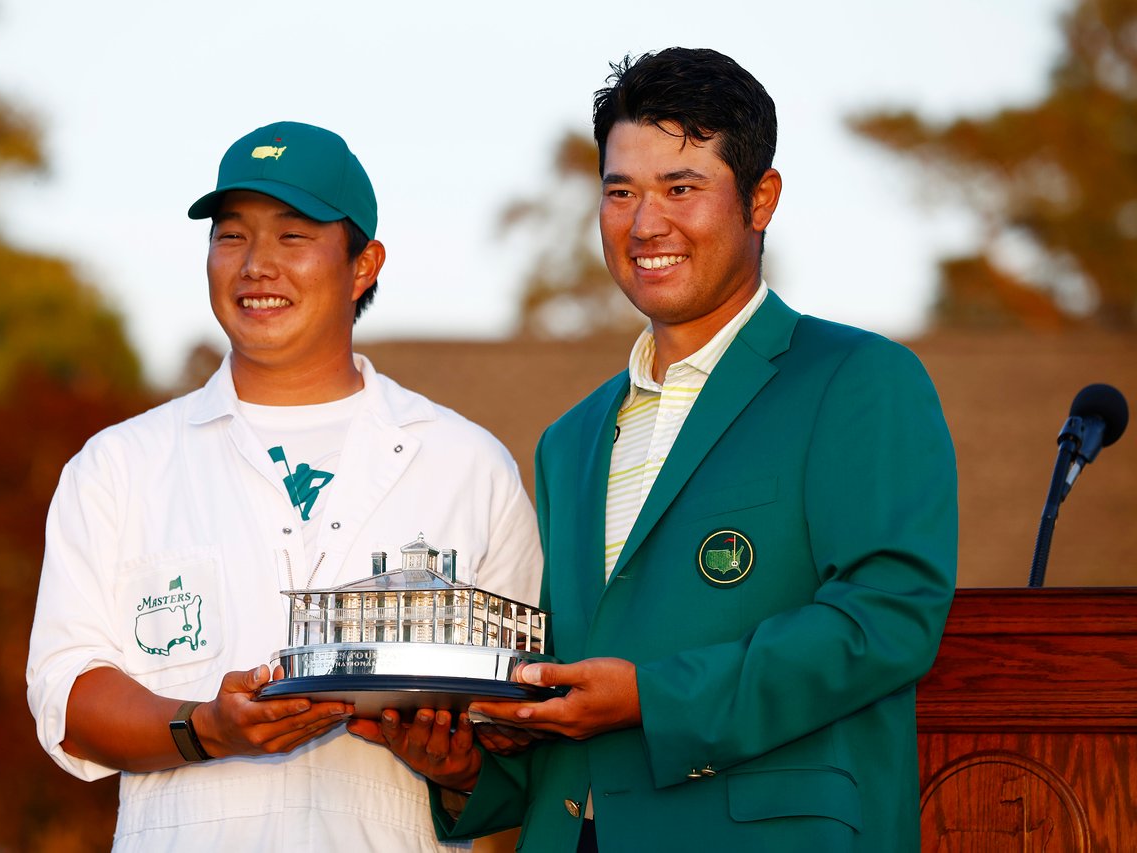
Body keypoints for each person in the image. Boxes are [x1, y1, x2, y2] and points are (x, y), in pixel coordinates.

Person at [352, 48, 958, 852]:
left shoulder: (857, 379)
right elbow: (575, 690)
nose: (645, 224)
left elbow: (889, 616)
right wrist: (470, 765)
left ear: (761, 198)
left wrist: (652, 698)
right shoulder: (568, 440)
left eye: (682, 187)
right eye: (620, 192)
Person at [26, 120, 542, 850]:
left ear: (364, 264)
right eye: (231, 236)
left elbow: (520, 718)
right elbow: (67, 691)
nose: (255, 265)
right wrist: (205, 727)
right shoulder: (120, 464)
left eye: (293, 237)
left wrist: (458, 766)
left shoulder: (468, 464)